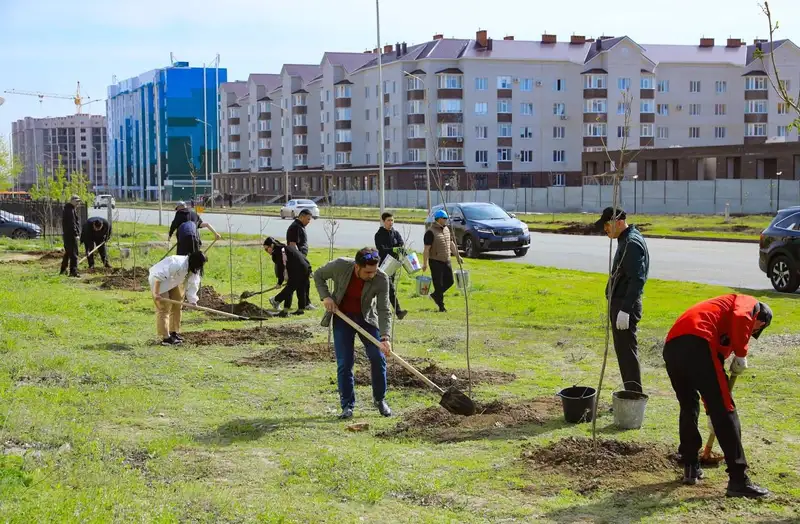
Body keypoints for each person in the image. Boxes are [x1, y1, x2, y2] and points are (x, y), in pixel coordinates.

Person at [663, 294, 772, 498]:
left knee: (689, 405)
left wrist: (710, 413)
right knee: (726, 408)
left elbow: (711, 376)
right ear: (761, 320)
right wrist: (741, 354)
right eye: (755, 330)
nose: (752, 333)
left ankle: (690, 465)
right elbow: (742, 316)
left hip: (673, 347)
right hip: (698, 340)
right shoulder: (749, 303)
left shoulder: (719, 321)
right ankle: (738, 479)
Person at [313, 247, 393, 420]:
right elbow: (318, 275)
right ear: (357, 266)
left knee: (378, 357)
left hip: (367, 319)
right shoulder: (341, 266)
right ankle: (347, 406)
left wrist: (385, 337)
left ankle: (380, 399)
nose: (372, 275)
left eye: (374, 270)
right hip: (343, 318)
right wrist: (326, 297)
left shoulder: (381, 279)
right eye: (368, 272)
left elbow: (384, 309)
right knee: (345, 362)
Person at [594, 206, 650, 394]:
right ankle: (631, 392)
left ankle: (633, 396)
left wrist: (625, 309)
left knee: (627, 354)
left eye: (607, 225)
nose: (605, 230)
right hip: (621, 303)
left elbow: (637, 279)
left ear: (618, 222)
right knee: (624, 353)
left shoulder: (631, 243)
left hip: (625, 305)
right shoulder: (625, 239)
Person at [148, 251, 207, 346]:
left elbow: (193, 283)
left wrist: (193, 301)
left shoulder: (194, 267)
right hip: (159, 282)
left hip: (173, 280)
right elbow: (158, 276)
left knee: (177, 304)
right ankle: (166, 338)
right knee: (164, 308)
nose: (200, 268)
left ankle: (173, 332)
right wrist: (156, 293)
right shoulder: (177, 263)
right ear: (195, 262)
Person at [422, 209, 462, 312]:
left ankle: (435, 295)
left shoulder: (446, 229)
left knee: (450, 281)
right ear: (439, 219)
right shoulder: (430, 232)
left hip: (446, 260)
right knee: (438, 284)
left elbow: (451, 244)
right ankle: (441, 307)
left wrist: (458, 256)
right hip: (435, 261)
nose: (446, 220)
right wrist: (425, 264)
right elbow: (426, 249)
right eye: (444, 218)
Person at [264, 236, 310, 316]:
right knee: (300, 288)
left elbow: (280, 268)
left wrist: (279, 282)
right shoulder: (286, 247)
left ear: (271, 245)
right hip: (305, 267)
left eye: (266, 249)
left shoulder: (277, 252)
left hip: (298, 269)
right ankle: (300, 309)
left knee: (290, 287)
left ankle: (276, 300)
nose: (266, 251)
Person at [374, 212, 408, 320]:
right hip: (383, 265)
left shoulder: (395, 233)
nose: (391, 222)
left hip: (393, 264)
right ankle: (398, 311)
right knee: (390, 288)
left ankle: (382, 310)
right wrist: (393, 249)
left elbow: (401, 243)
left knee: (387, 289)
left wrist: (401, 250)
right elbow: (382, 249)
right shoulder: (379, 235)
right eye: (388, 220)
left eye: (392, 220)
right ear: (383, 221)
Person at [286, 208, 315, 311]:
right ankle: (305, 304)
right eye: (308, 219)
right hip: (298, 260)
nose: (309, 221)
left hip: (300, 259)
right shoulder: (295, 227)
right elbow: (293, 245)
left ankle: (305, 303)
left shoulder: (300, 226)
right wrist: (300, 260)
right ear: (302, 216)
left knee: (301, 283)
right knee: (302, 282)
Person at [60, 195, 82, 277]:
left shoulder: (69, 209)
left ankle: (63, 270)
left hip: (67, 235)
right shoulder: (70, 210)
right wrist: (76, 234)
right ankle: (73, 272)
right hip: (71, 235)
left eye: (79, 201)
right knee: (74, 254)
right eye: (77, 201)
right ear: (72, 201)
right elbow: (72, 224)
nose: (78, 203)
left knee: (68, 253)